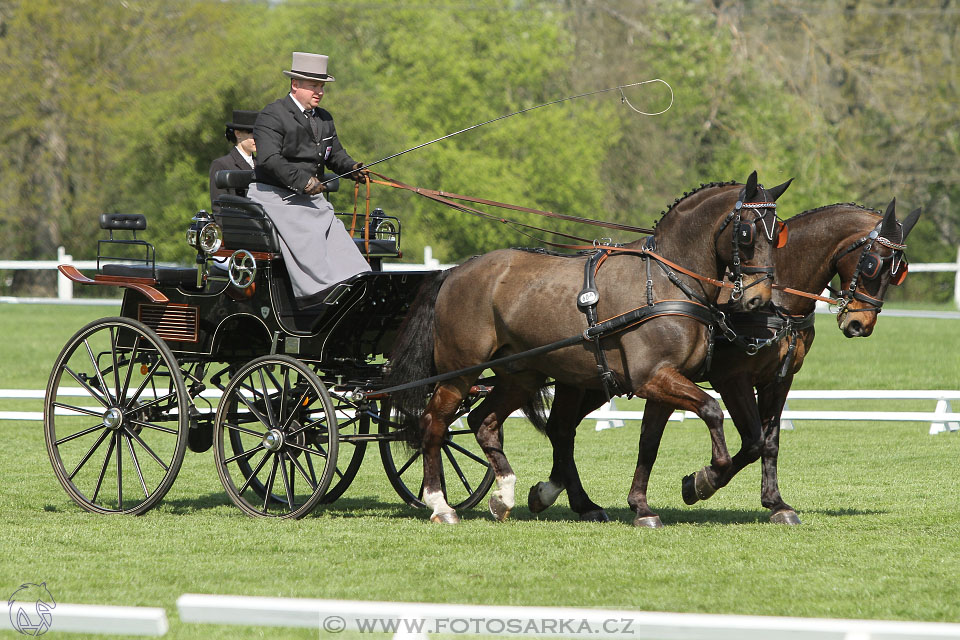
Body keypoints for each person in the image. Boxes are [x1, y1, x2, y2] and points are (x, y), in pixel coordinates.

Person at [248, 51, 370, 307]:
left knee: (336, 234)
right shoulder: (272, 115)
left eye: (322, 86)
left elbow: (335, 154)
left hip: (311, 199)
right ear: (295, 84)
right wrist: (303, 181)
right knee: (310, 232)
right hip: (276, 197)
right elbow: (269, 159)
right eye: (314, 85)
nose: (320, 92)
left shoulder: (324, 119)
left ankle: (355, 285)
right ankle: (318, 295)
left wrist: (353, 168)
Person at [209, 109, 258, 212]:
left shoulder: (262, 164)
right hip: (236, 225)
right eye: (252, 134)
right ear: (238, 134)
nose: (257, 138)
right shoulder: (221, 165)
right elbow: (218, 207)